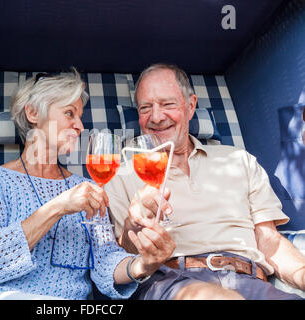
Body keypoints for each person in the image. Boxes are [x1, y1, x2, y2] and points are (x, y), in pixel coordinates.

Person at [0, 69, 163, 300]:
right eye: (69, 113)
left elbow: (105, 260)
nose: (80, 127)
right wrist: (59, 206)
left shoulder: (85, 187)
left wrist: (143, 265)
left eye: (80, 117)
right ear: (32, 113)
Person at [104, 63, 305, 300]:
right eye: (145, 108)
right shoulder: (121, 176)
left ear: (191, 106)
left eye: (168, 104)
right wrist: (133, 226)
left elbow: (269, 241)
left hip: (253, 281)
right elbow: (120, 256)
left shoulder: (239, 160)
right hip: (172, 281)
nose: (156, 117)